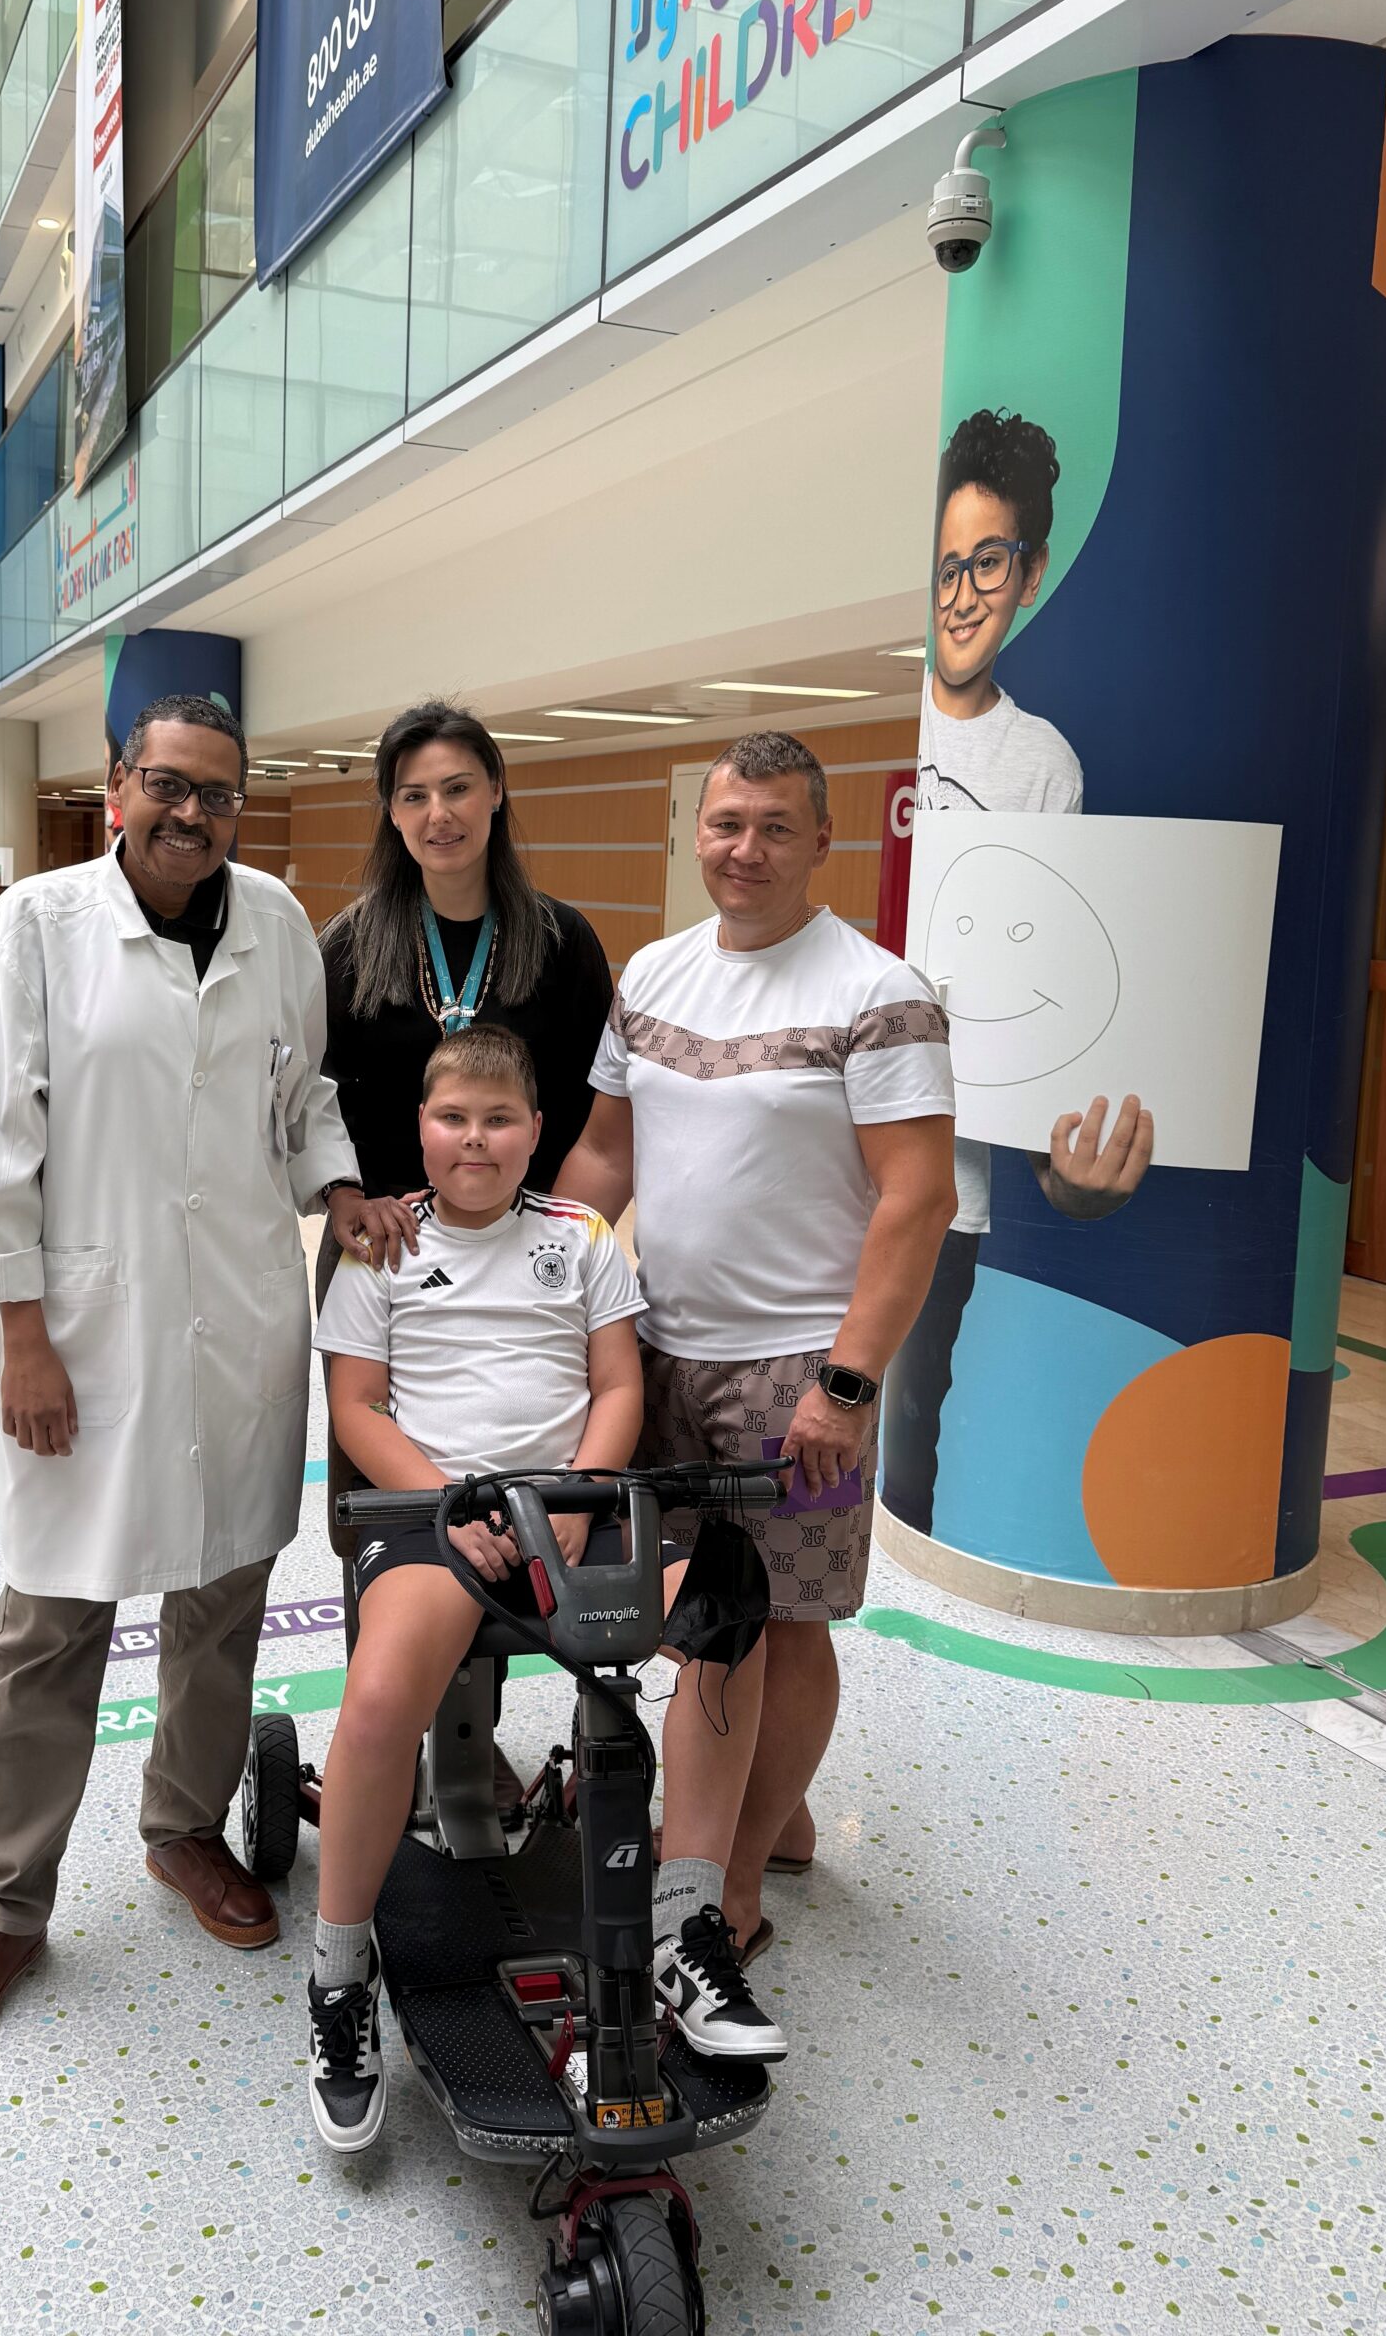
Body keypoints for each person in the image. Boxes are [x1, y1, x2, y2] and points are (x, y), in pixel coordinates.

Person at [0, 694, 401, 2063]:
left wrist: (338, 1187)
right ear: (120, 785)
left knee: (224, 1596)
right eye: (167, 784)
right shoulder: (39, 924)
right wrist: (20, 1333)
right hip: (87, 1325)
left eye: (217, 792)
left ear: (242, 802)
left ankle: (184, 1827)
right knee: (49, 1619)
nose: (191, 812)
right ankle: (3, 1906)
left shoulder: (279, 923)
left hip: (240, 1314)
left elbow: (303, 1097)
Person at [304, 1023, 787, 2152]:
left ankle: (684, 1925)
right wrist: (454, 1507)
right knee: (378, 1700)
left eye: (499, 1119)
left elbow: (616, 1387)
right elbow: (356, 1407)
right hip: (435, 1519)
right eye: (453, 1118)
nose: (475, 1139)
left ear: (536, 1131)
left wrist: (577, 1501)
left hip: (573, 1507)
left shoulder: (581, 1236)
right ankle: (339, 1976)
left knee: (726, 1610)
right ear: (422, 1127)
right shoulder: (380, 1243)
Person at [557, 732, 957, 1955]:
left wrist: (848, 1383)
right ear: (699, 829)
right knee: (693, 1613)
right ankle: (769, 1813)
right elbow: (607, 1155)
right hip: (660, 1351)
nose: (747, 848)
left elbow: (917, 1198)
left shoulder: (877, 992)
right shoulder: (653, 973)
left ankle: (733, 1878)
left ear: (822, 840)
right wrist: (541, 1291)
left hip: (799, 1373)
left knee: (784, 1622)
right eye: (728, 822)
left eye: (776, 826)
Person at [884, 410, 1152, 1530]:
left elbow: (1050, 980)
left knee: (908, 1431)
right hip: (827, 1160)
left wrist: (1062, 1158)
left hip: (949, 1186)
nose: (961, 594)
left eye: (988, 562)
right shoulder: (889, 720)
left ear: (1030, 575)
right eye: (948, 564)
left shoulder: (1043, 765)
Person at [319, 700, 613, 1291]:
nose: (439, 814)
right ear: (392, 812)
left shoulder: (561, 939)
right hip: (385, 1240)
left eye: (458, 788)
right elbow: (316, 1096)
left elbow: (594, 1110)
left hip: (527, 1244)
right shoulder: (350, 943)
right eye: (414, 796)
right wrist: (347, 1194)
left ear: (496, 790)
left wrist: (552, 1231)